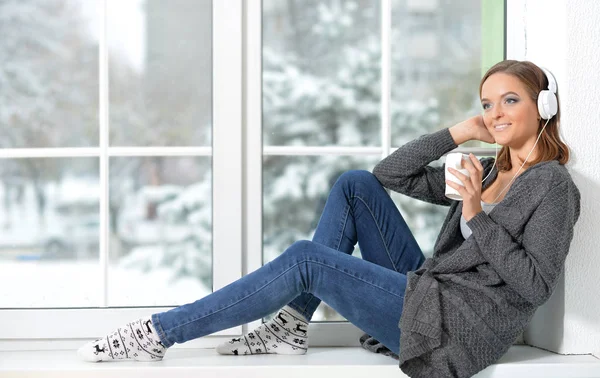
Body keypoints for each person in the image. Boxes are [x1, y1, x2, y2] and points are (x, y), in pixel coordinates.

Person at [77, 60, 581, 378]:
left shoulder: (552, 184)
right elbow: (391, 175)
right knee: (354, 183)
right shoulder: (488, 168)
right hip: (430, 294)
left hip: (454, 330)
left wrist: (473, 210)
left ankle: (159, 333)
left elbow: (534, 284)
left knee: (306, 259)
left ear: (544, 105)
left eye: (509, 100)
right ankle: (293, 324)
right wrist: (459, 131)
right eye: (487, 104)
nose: (495, 112)